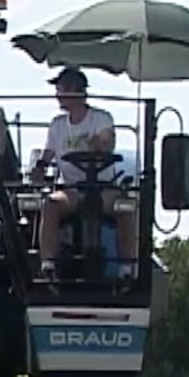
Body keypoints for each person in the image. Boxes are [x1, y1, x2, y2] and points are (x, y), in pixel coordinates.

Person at [31, 67, 138, 280]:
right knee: (49, 204)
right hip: (71, 191)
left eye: (60, 89)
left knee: (126, 206)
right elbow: (48, 155)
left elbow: (106, 143)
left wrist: (100, 144)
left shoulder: (101, 119)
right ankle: (48, 265)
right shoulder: (57, 125)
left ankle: (127, 268)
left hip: (103, 189)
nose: (57, 95)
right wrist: (39, 168)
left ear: (75, 91)